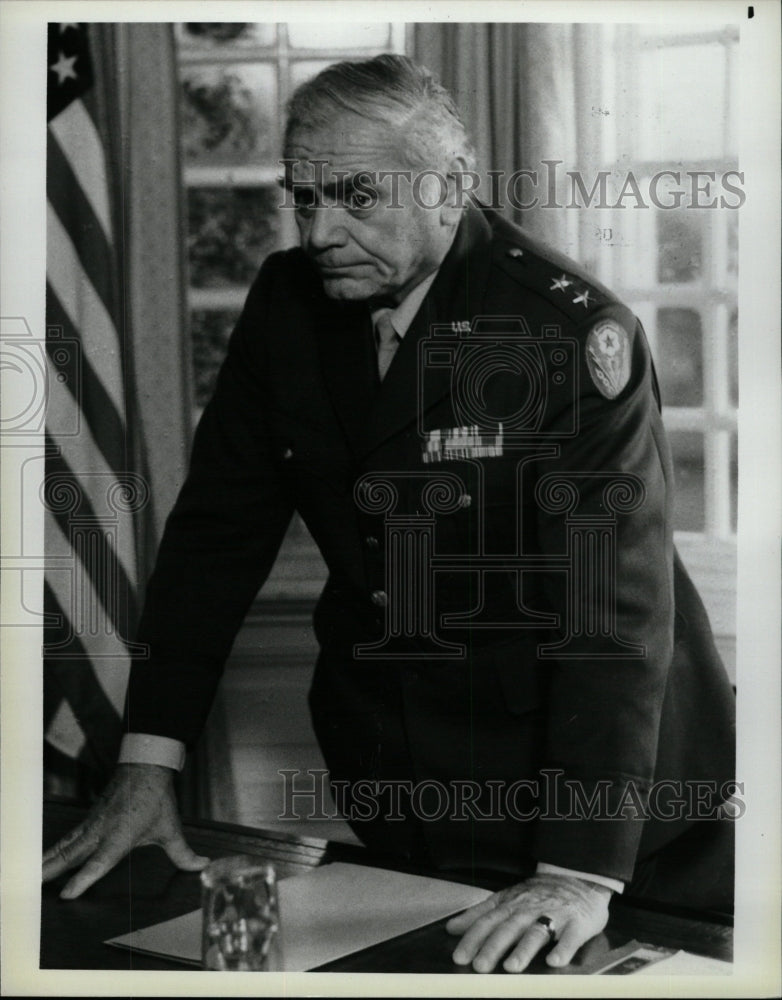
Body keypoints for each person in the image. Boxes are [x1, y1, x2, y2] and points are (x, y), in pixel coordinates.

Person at [43, 54, 736, 974]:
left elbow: (611, 619)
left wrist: (575, 870)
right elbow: (215, 539)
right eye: (303, 197)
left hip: (611, 813)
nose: (321, 231)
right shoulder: (289, 305)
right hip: (411, 786)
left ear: (452, 187)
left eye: (358, 197)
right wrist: (148, 762)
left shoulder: (566, 333)